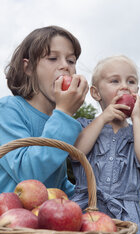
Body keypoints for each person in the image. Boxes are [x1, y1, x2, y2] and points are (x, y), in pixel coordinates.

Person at [70, 55, 140, 234]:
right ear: (96, 93)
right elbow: (75, 152)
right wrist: (103, 118)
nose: (125, 87)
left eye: (131, 81)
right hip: (88, 210)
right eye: (115, 81)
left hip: (126, 217)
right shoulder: (86, 127)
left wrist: (137, 120)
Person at [0, 25, 89, 197]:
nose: (65, 66)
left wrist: (87, 199)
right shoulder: (8, 110)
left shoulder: (55, 121)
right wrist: (64, 113)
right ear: (29, 68)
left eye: (71, 61)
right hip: (9, 219)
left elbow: (57, 182)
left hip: (42, 221)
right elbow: (27, 173)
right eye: (53, 58)